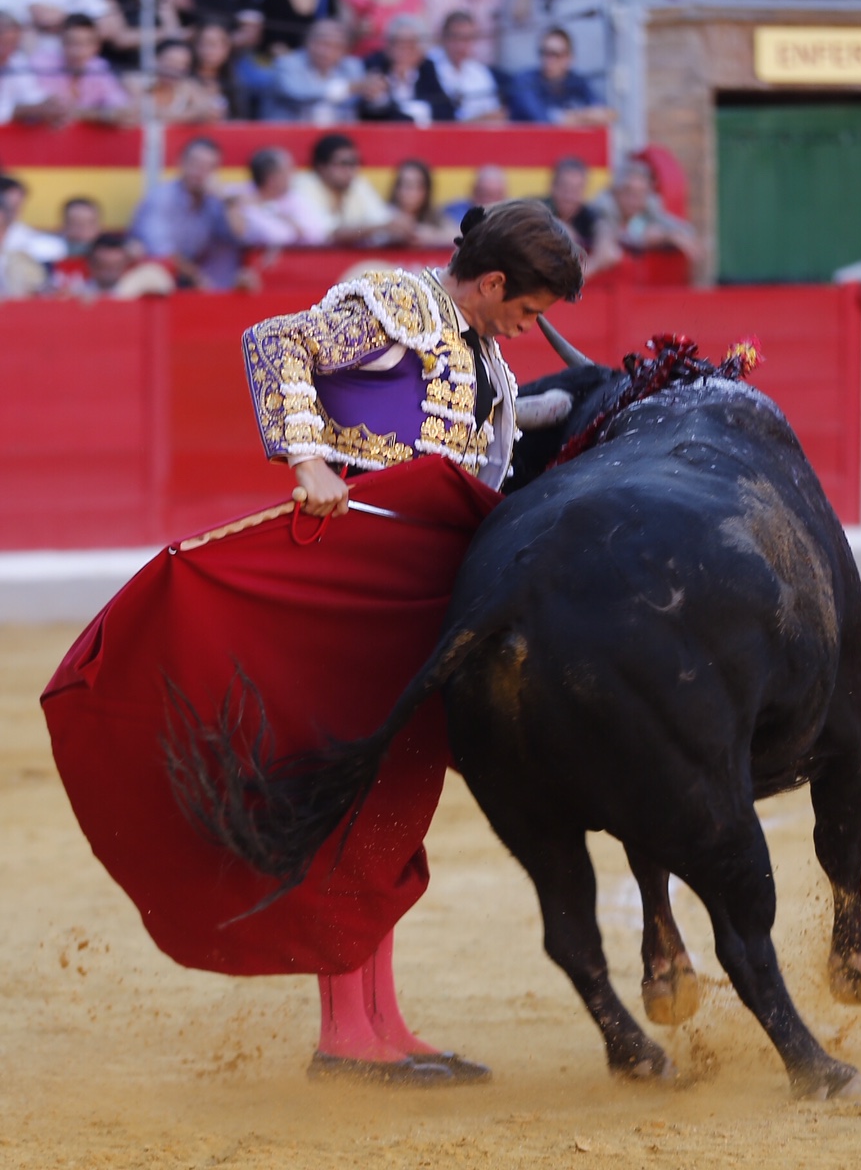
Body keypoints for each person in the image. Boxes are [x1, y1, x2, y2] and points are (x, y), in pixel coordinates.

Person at [240, 201, 583, 1081]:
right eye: (532, 309)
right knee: (355, 804)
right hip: (357, 583)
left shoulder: (480, 348)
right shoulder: (394, 303)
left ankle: (380, 1022)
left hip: (422, 592)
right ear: (497, 281)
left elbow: (465, 444)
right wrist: (306, 458)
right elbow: (273, 341)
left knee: (392, 808)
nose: (531, 326)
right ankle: (345, 1035)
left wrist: (561, 408)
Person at [130, 134, 244, 289]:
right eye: (195, 164)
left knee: (228, 252)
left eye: (208, 167)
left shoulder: (214, 199)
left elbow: (239, 236)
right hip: (156, 276)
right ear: (181, 163)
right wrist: (200, 280)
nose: (199, 172)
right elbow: (161, 252)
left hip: (194, 275)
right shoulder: (161, 198)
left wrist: (228, 201)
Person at [292, 132, 408, 247]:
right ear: (321, 167)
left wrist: (401, 228)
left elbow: (381, 220)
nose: (350, 170)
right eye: (343, 164)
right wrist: (381, 227)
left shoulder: (357, 184)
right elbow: (330, 234)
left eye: (354, 163)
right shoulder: (304, 186)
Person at [30, 12, 133, 125]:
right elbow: (40, 109)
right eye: (71, 43)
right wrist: (101, 115)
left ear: (97, 46)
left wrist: (83, 113)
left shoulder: (99, 68)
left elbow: (122, 111)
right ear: (61, 41)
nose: (77, 52)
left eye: (85, 44)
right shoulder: (41, 64)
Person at [592, 157, 700, 260]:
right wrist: (657, 237)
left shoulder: (649, 208)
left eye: (642, 194)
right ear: (615, 192)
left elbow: (687, 230)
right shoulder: (602, 209)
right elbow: (609, 237)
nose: (635, 201)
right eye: (629, 192)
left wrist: (670, 234)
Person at [507, 26, 615, 126]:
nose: (548, 60)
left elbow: (607, 114)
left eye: (555, 54)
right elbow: (543, 121)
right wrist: (584, 116)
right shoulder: (525, 81)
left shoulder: (576, 82)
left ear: (569, 58)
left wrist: (575, 117)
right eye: (544, 53)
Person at [262, 16, 364, 123]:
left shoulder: (352, 67)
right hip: (289, 134)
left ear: (345, 50)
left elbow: (358, 101)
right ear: (307, 42)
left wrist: (375, 95)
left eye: (336, 46)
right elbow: (297, 93)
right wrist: (344, 88)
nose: (327, 52)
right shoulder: (287, 64)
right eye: (323, 44)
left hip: (339, 135)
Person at [358, 13, 454, 124]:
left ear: (420, 50)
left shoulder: (427, 68)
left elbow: (446, 110)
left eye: (410, 45)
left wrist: (418, 109)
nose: (402, 51)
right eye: (397, 43)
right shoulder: (375, 65)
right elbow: (368, 112)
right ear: (387, 46)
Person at [226, 144, 327, 246]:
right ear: (272, 179)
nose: (293, 174)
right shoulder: (236, 198)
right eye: (288, 170)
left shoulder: (295, 197)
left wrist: (276, 212)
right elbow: (276, 236)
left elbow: (319, 235)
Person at [543, 155, 620, 277]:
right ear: (553, 186)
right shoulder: (537, 207)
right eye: (565, 187)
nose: (569, 196)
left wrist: (586, 270)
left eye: (576, 189)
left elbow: (605, 235)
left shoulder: (590, 214)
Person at [125, 36, 227, 124]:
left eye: (182, 64)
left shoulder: (187, 85)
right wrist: (193, 115)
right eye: (170, 61)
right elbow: (143, 111)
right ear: (155, 60)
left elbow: (209, 109)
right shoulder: (134, 81)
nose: (175, 68)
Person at [428, 10, 504, 123]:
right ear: (443, 37)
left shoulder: (479, 72)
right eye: (455, 37)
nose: (460, 45)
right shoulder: (428, 67)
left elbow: (496, 115)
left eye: (467, 38)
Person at [0, 10, 65, 126]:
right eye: (4, 43)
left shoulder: (17, 61)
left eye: (13, 43)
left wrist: (48, 101)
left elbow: (30, 95)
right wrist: (22, 111)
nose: (8, 50)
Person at [387, 157, 460, 248]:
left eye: (416, 186)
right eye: (405, 184)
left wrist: (433, 236)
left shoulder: (435, 216)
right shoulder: (384, 215)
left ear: (426, 191)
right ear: (396, 188)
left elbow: (460, 237)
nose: (409, 192)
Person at [443, 162, 508, 224]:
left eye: (493, 196)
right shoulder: (452, 213)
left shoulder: (510, 217)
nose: (487, 201)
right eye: (483, 194)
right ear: (473, 191)